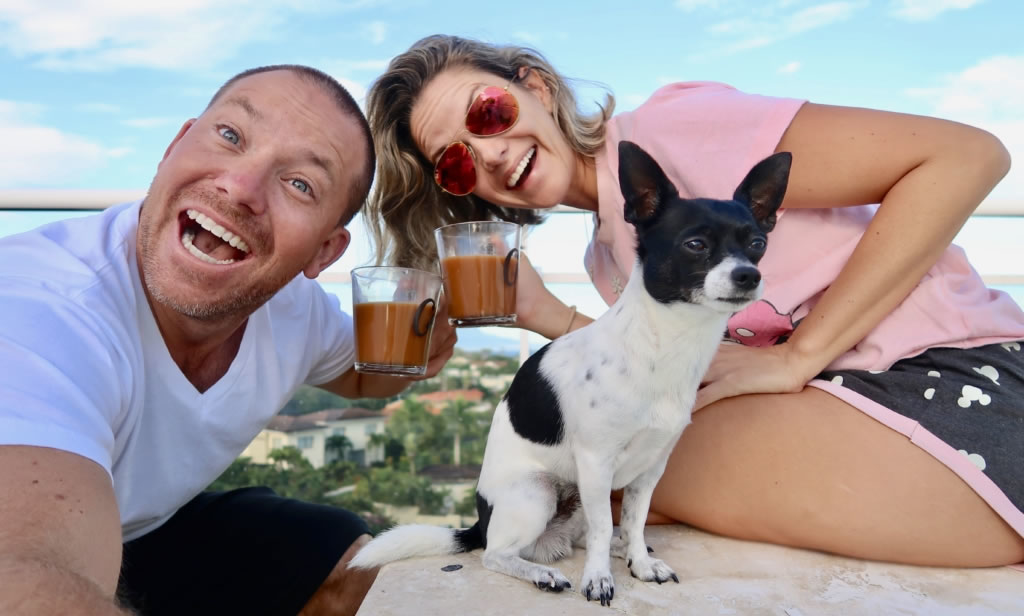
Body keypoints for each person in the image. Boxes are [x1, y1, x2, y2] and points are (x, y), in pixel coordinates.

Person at [363, 34, 1024, 568]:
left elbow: (966, 156)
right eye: (456, 161)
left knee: (603, 472)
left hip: (957, 386)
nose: (490, 153)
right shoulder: (609, 247)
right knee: (613, 457)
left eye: (488, 112)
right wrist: (547, 318)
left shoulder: (676, 131)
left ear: (535, 86)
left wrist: (800, 355)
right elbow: (663, 378)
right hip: (850, 404)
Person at [0, 65, 457, 616]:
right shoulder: (43, 307)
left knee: (353, 562)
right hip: (56, 546)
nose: (239, 188)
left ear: (324, 253)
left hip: (145, 530)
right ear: (172, 148)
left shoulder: (294, 309)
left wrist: (419, 354)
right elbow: (22, 574)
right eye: (232, 136)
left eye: (300, 184)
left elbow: (361, 375)